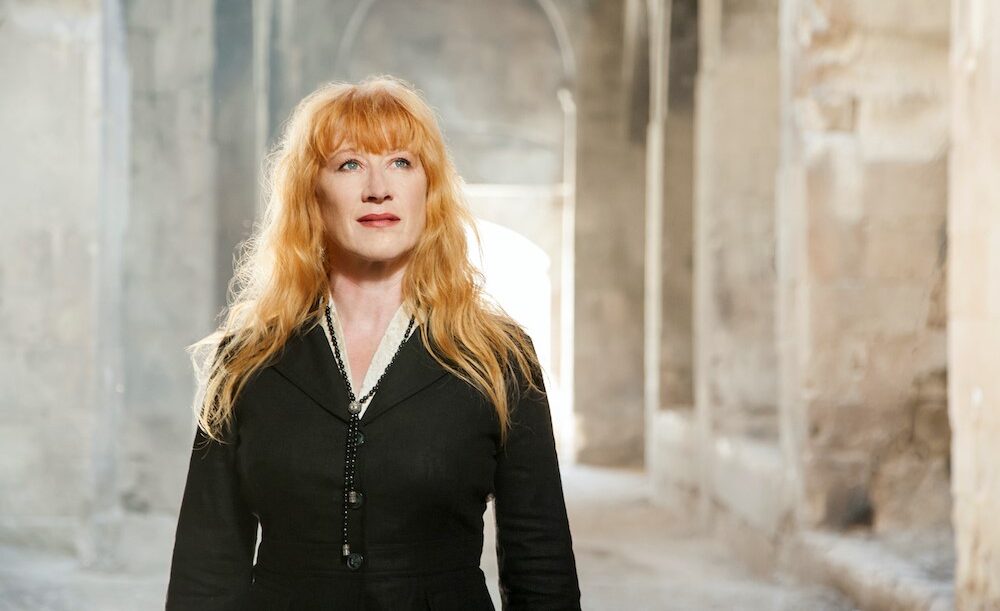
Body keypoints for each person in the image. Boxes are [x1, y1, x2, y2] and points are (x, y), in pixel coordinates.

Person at [164, 75, 581, 610]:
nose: (378, 188)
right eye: (349, 165)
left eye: (401, 162)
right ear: (312, 194)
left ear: (429, 189)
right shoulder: (246, 359)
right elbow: (205, 571)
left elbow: (540, 565)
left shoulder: (498, 357)